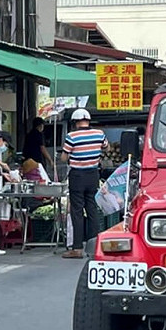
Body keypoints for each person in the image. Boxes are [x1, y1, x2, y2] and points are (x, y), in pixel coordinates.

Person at [60, 109, 108, 259]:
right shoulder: (99, 134)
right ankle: (93, 247)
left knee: (77, 212)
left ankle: (77, 248)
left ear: (75, 122)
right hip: (93, 175)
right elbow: (107, 147)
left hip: (77, 176)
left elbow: (63, 157)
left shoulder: (71, 136)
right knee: (92, 210)